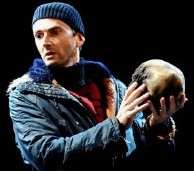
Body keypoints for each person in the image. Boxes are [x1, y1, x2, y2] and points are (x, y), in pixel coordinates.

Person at [6, 2, 188, 171]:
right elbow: (45, 156)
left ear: (79, 38)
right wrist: (116, 125)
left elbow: (145, 155)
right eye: (39, 35)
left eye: (55, 32)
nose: (45, 42)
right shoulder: (25, 96)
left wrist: (156, 127)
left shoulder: (117, 90)